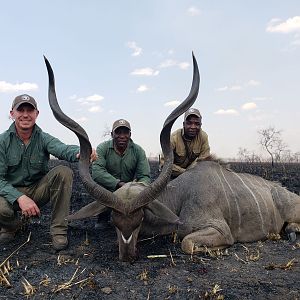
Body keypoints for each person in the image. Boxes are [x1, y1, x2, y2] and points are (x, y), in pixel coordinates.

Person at [0, 94, 97, 250]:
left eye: (30, 111)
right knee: (1, 209)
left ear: (36, 114)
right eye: (21, 110)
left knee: (63, 172)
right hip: (11, 193)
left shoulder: (44, 138)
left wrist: (81, 151)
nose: (25, 114)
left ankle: (59, 231)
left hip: (37, 190)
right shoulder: (2, 141)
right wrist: (20, 197)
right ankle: (12, 226)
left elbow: (62, 148)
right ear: (12, 114)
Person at [92, 119, 151, 192]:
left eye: (125, 132)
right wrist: (119, 184)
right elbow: (97, 172)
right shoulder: (102, 148)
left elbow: (145, 177)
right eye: (118, 132)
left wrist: (137, 188)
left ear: (130, 135)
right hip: (106, 193)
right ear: (112, 134)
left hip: (130, 192)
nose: (122, 136)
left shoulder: (138, 151)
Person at [160, 107, 210, 179]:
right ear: (184, 124)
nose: (193, 127)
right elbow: (164, 163)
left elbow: (204, 161)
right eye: (189, 123)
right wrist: (185, 172)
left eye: (197, 124)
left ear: (200, 125)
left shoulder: (203, 137)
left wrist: (191, 173)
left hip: (195, 176)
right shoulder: (174, 138)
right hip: (174, 176)